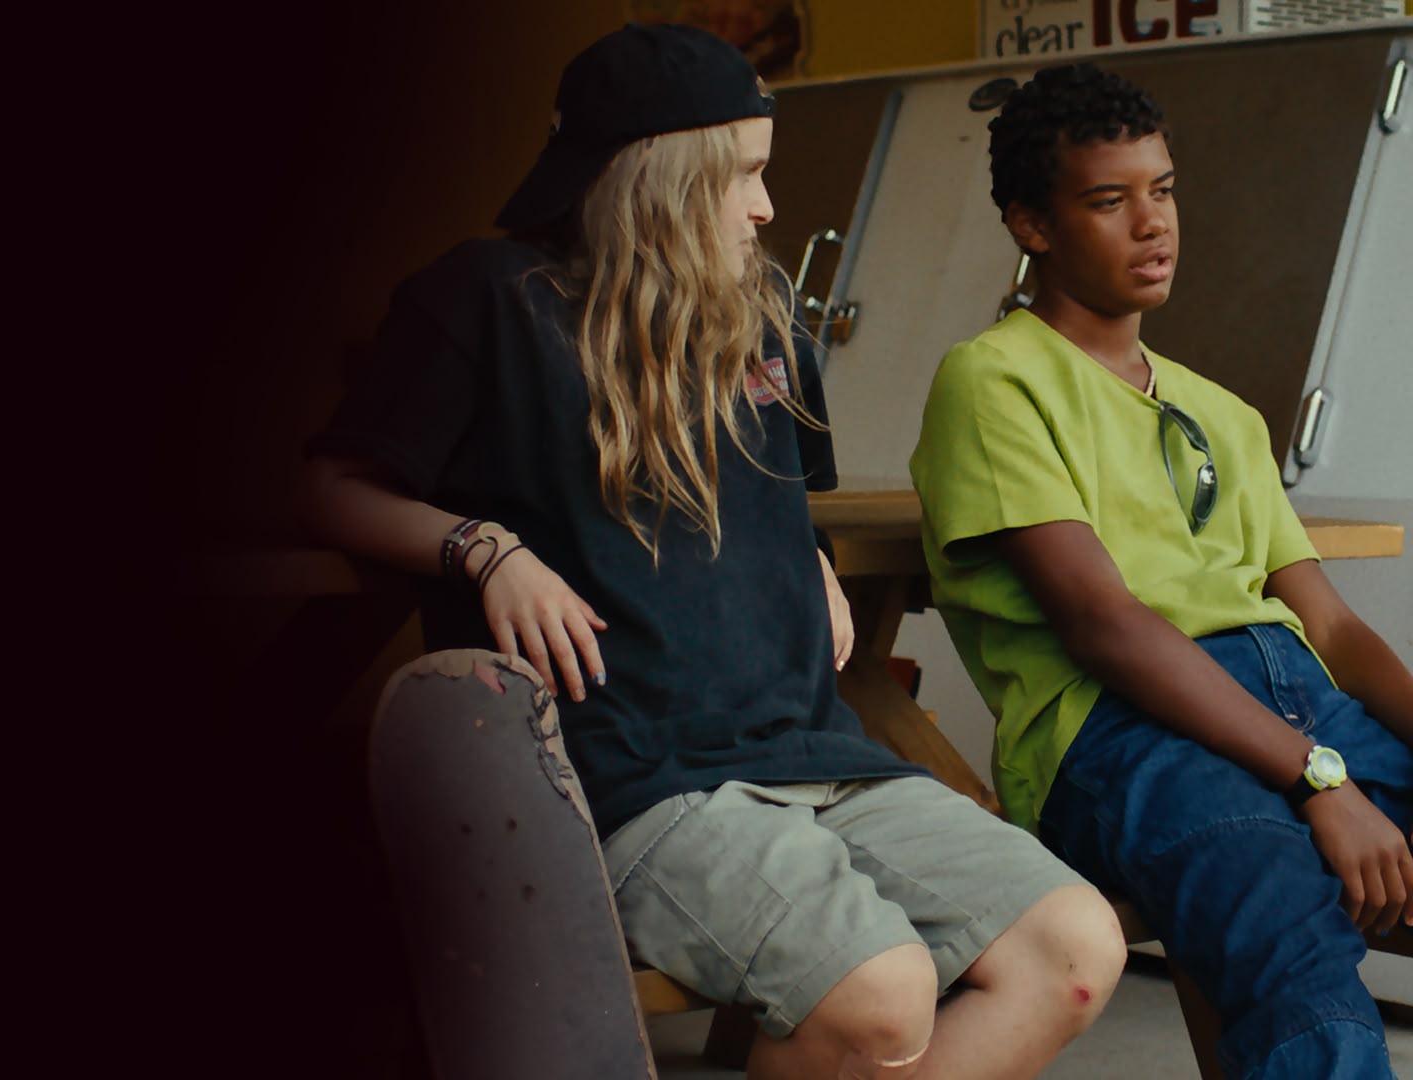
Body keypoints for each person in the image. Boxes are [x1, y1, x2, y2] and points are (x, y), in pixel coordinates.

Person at [303, 24, 1124, 1078]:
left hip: (812, 749)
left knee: (1077, 948)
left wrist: (806, 560)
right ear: (656, 176)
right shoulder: (489, 299)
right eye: (742, 174)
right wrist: (483, 549)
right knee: (881, 993)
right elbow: (329, 490)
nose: (767, 207)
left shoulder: (762, 317)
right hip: (636, 776)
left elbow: (775, 498)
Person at [910, 62, 1413, 1079]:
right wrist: (1317, 776)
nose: (1153, 225)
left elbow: (1332, 629)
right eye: (1110, 200)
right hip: (1122, 729)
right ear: (1032, 225)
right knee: (1281, 925)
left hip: (1294, 699)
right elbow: (1104, 624)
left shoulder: (1222, 410)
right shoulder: (995, 380)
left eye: (1165, 190)